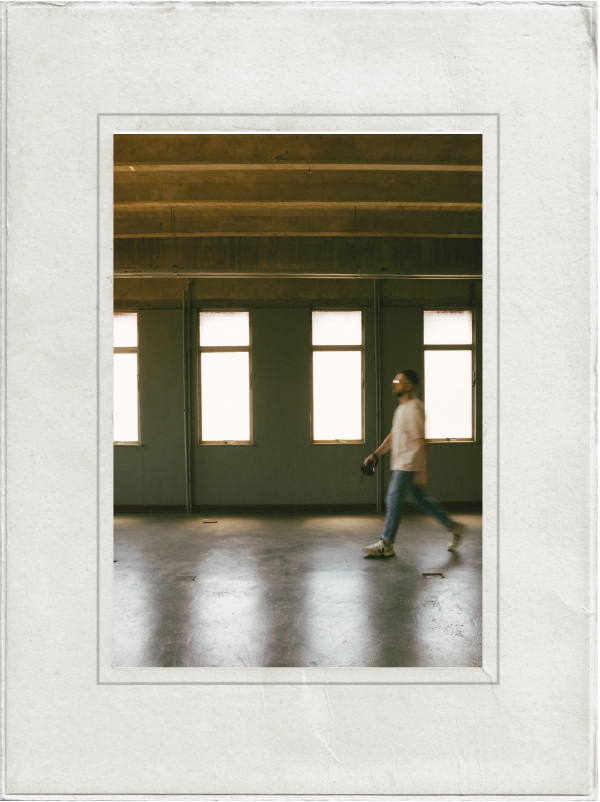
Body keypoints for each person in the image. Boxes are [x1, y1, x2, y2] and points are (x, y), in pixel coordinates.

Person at [362, 370, 465, 557]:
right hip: (401, 462)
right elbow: (393, 437)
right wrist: (375, 455)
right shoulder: (401, 409)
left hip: (408, 464)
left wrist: (423, 472)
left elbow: (421, 441)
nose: (394, 384)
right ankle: (454, 526)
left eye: (398, 381)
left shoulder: (415, 408)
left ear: (408, 386)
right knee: (421, 500)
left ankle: (386, 543)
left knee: (393, 499)